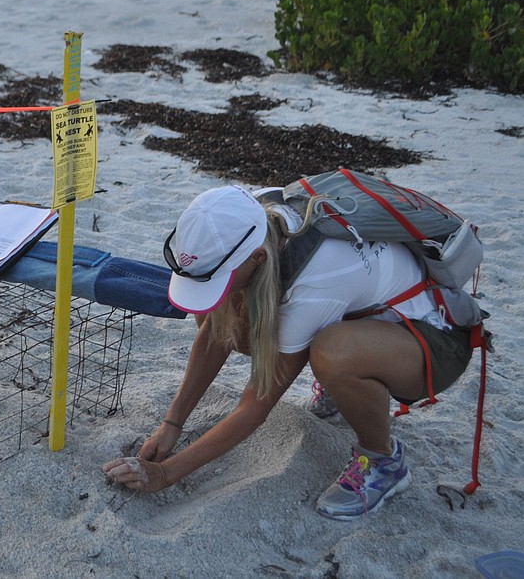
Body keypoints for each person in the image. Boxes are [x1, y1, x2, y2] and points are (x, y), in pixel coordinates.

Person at [102, 184, 473, 519]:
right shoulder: (260, 216)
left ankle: (384, 462)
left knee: (333, 354)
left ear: (257, 260)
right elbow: (217, 328)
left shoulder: (316, 279)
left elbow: (255, 406)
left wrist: (167, 474)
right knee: (226, 308)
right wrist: (172, 424)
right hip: (370, 318)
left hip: (434, 338)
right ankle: (345, 393)